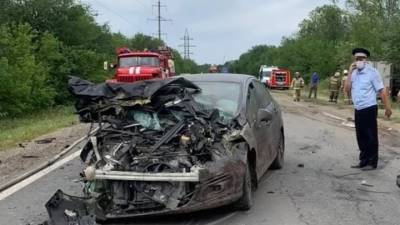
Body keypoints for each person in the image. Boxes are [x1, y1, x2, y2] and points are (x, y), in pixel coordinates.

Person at [345, 47, 392, 170]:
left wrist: (387, 107)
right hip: (358, 108)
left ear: (366, 60)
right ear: (354, 60)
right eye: (357, 58)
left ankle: (372, 162)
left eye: (362, 58)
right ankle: (363, 160)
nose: (359, 60)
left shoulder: (372, 72)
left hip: (369, 108)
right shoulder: (353, 73)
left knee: (371, 136)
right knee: (360, 136)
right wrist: (349, 73)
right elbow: (347, 89)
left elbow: (382, 91)